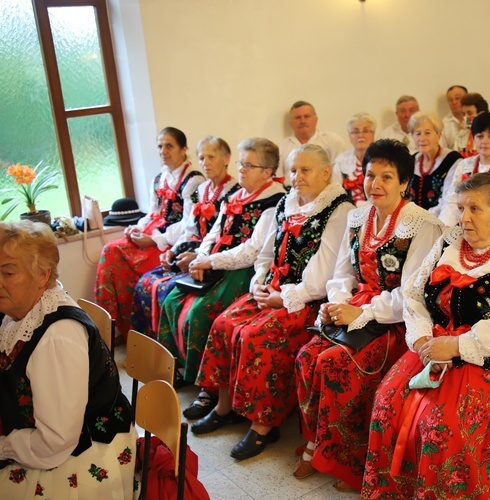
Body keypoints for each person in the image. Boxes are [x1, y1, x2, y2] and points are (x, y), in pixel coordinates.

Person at [361, 174, 490, 499]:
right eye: (461, 207)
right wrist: (421, 338)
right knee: (385, 405)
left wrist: (457, 346)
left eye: (475, 208)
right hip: (433, 344)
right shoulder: (450, 240)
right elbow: (413, 294)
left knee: (441, 431)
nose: (463, 217)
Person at [293, 139, 443, 492]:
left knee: (335, 364)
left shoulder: (423, 226)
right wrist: (338, 302)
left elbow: (411, 294)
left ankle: (351, 458)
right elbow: (343, 273)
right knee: (305, 358)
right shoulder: (358, 216)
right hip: (355, 308)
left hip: (396, 318)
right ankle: (318, 441)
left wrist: (358, 313)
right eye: (371, 174)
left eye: (386, 177)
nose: (375, 184)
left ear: (404, 183)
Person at [190, 144, 353, 461]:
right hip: (273, 290)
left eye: (305, 170)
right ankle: (225, 407)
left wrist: (285, 297)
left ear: (325, 173)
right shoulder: (285, 203)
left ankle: (264, 424)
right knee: (223, 324)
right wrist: (260, 283)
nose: (297, 177)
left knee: (257, 337)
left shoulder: (339, 210)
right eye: (293, 170)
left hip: (306, 300)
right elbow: (264, 254)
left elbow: (324, 273)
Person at [0, 221, 136, 498]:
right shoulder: (18, 313)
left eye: (7, 272)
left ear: (42, 276)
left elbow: (56, 443)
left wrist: (3, 446)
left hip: (84, 453)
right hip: (52, 441)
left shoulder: (57, 336)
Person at [158, 138, 286, 411]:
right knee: (171, 299)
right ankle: (181, 370)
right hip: (216, 262)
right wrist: (201, 258)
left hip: (241, 270)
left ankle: (211, 389)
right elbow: (214, 232)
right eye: (241, 163)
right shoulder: (236, 194)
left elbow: (251, 251)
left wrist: (211, 262)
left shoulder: (275, 201)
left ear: (267, 171)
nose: (241, 169)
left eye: (248, 165)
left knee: (201, 312)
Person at [95, 127, 204, 336]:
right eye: (160, 146)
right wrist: (136, 227)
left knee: (116, 257)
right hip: (153, 234)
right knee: (111, 252)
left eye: (169, 146)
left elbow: (189, 223)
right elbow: (153, 212)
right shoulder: (159, 178)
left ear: (184, 149)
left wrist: (154, 239)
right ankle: (108, 330)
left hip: (171, 242)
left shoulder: (193, 181)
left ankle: (134, 335)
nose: (163, 151)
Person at [131, 136, 239, 338]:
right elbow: (190, 229)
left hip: (215, 256)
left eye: (211, 157)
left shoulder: (235, 192)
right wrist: (172, 250)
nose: (205, 163)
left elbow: (229, 237)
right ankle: (150, 347)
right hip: (194, 249)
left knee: (168, 291)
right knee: (145, 282)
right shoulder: (201, 189)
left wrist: (197, 256)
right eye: (202, 158)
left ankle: (174, 353)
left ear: (226, 159)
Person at [406, 112, 463, 213]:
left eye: (427, 133)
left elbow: (450, 201)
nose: (422, 138)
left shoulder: (452, 160)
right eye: (418, 133)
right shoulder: (411, 161)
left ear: (438, 135)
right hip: (411, 222)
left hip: (441, 222)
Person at [278, 101, 346, 184]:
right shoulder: (282, 147)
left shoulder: (332, 140)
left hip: (326, 193)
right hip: (291, 193)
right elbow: (279, 178)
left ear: (316, 120)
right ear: (291, 123)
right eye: (298, 117)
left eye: (306, 116)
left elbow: (338, 173)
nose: (302, 121)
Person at [334, 112, 377, 206]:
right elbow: (334, 192)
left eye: (366, 131)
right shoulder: (342, 160)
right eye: (355, 132)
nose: (360, 135)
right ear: (350, 136)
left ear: (373, 135)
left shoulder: (382, 159)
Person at [457, 92, 489, 158]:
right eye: (463, 114)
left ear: (481, 114)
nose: (465, 117)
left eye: (469, 113)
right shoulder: (461, 135)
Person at [441, 85, 468, 150]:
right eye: (450, 100)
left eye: (457, 98)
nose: (454, 102)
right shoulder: (444, 123)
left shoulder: (475, 119)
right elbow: (442, 148)